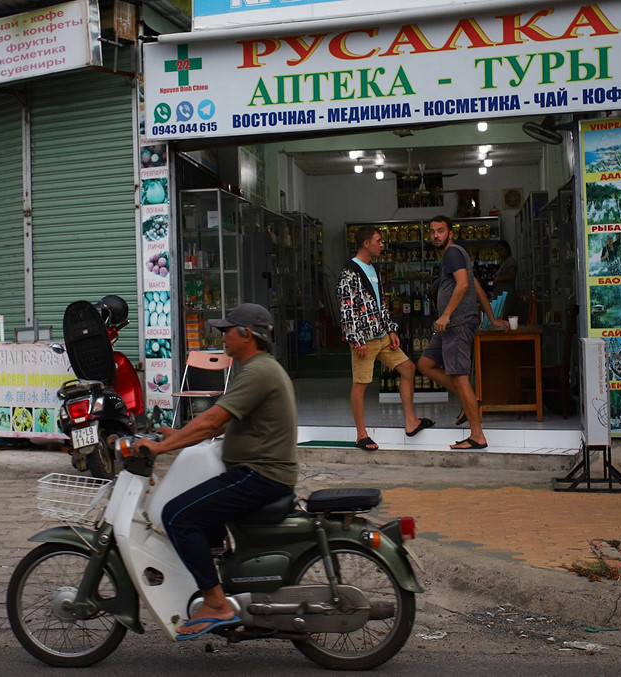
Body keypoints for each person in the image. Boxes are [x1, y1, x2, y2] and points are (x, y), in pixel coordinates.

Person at [131, 303, 297, 640]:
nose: (222, 337)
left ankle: (216, 603)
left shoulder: (258, 371)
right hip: (257, 471)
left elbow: (211, 422)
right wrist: (175, 436)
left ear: (246, 335)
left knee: (177, 515)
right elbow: (216, 419)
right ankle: (218, 581)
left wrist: (163, 448)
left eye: (226, 331)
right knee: (199, 510)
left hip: (260, 475)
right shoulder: (256, 368)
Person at [337, 225, 435, 451]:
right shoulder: (350, 271)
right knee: (360, 384)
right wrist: (356, 339)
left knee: (408, 368)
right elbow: (347, 308)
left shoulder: (373, 269)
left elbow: (381, 304)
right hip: (364, 339)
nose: (382, 245)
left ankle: (411, 422)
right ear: (366, 243)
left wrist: (391, 329)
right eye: (379, 241)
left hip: (382, 336)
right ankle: (361, 435)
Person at [417, 215, 509, 450]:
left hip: (456, 324)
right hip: (450, 326)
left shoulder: (453, 253)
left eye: (440, 230)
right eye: (432, 231)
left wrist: (446, 314)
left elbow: (464, 285)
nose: (435, 235)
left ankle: (477, 435)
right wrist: (491, 317)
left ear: (450, 233)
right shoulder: (455, 255)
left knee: (459, 376)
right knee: (425, 364)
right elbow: (476, 284)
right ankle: (471, 400)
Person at [491, 240, 517, 318]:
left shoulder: (511, 261)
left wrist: (498, 279)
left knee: (503, 317)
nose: (499, 252)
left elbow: (512, 275)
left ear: (507, 249)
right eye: (497, 250)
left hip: (506, 296)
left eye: (501, 249)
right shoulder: (503, 262)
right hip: (501, 296)